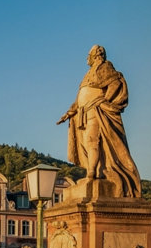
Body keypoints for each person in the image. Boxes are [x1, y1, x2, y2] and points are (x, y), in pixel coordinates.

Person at [58, 45, 142, 198]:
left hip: (96, 110)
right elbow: (79, 99)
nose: (87, 58)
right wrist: (69, 113)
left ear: (96, 55)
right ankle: (96, 171)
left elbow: (116, 83)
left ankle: (91, 174)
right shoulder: (88, 73)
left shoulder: (105, 66)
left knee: (92, 141)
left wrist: (104, 100)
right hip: (83, 113)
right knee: (86, 144)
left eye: (89, 55)